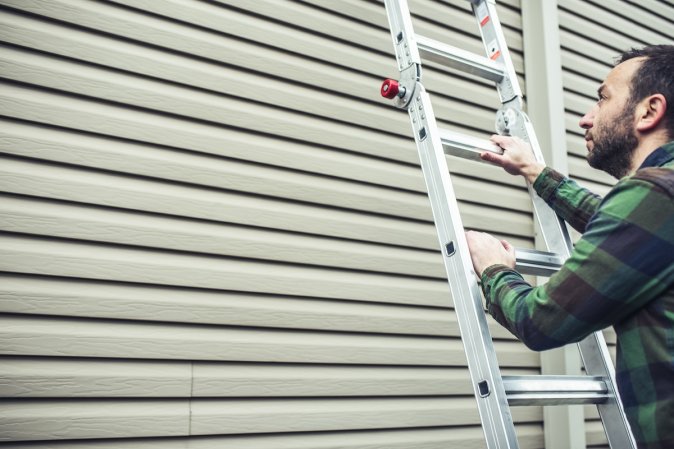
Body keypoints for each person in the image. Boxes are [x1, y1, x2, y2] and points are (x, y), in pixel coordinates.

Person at [465, 45, 674, 449]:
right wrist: (534, 170)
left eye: (603, 98)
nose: (586, 119)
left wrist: (495, 271)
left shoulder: (655, 195)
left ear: (649, 111)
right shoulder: (659, 200)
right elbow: (622, 227)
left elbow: (540, 321)